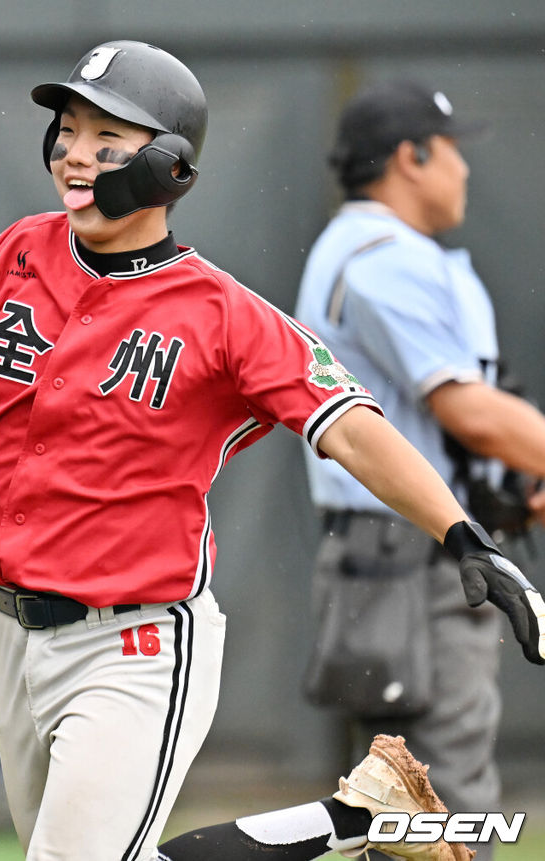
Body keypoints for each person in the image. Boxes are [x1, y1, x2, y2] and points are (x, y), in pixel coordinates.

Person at [0, 41, 545, 861]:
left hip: (139, 640)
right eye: (69, 130)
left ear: (171, 169)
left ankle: (357, 820)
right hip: (12, 626)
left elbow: (352, 424)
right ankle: (355, 816)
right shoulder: (4, 260)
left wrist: (462, 534)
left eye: (108, 140)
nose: (76, 154)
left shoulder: (221, 312)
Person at [294, 79, 545, 860]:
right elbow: (465, 409)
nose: (465, 171)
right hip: (417, 561)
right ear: (412, 156)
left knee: (402, 808)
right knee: (444, 805)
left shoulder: (371, 248)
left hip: (398, 554)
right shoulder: (381, 254)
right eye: (453, 152)